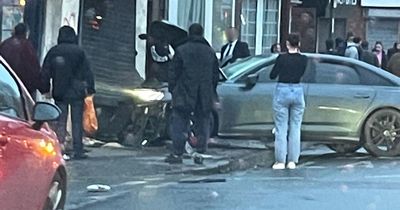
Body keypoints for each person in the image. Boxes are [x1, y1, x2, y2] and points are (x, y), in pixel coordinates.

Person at [166, 23, 219, 164]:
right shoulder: (210, 52)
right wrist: (211, 91)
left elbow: (173, 73)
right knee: (203, 123)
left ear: (189, 33)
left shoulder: (182, 50)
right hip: (204, 94)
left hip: (184, 92)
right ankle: (200, 151)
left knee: (179, 122)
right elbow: (215, 76)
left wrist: (173, 89)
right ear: (202, 34)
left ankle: (177, 153)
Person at [41, 26, 95, 160]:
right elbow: (88, 72)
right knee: (77, 121)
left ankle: (60, 147)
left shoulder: (54, 51)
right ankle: (78, 149)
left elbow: (46, 71)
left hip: (60, 90)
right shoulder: (79, 52)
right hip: (77, 92)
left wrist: (45, 88)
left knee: (60, 120)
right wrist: (90, 89)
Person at [269, 33, 307, 170]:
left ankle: (280, 161)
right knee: (296, 127)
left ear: (287, 44)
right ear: (299, 44)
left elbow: (272, 75)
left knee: (281, 128)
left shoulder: (282, 58)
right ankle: (292, 160)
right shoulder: (304, 59)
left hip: (282, 89)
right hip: (297, 90)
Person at [0, 23, 42, 98]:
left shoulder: (5, 45)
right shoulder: (28, 47)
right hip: (23, 87)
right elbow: (34, 69)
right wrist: (40, 86)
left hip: (5, 85)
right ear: (26, 33)